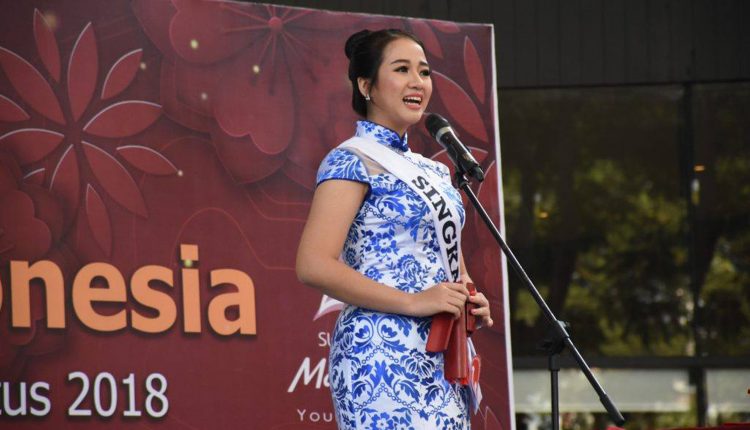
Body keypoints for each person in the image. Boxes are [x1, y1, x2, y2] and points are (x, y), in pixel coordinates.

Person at [296, 28, 493, 429]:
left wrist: (470, 295)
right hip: (379, 353)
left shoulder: (436, 171)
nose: (417, 82)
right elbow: (313, 264)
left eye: (423, 72)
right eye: (401, 69)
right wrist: (413, 301)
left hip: (443, 357)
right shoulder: (351, 161)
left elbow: (444, 260)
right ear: (366, 85)